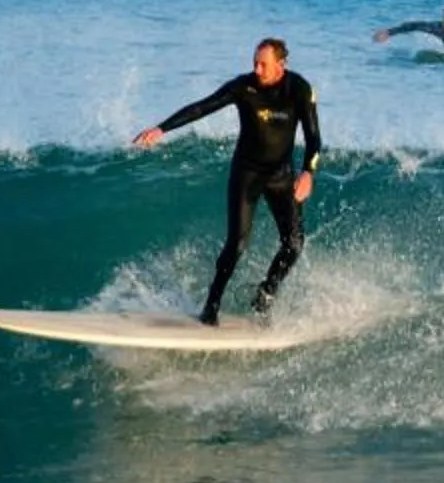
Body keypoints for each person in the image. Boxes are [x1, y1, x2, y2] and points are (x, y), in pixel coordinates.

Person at [132, 38, 323, 325]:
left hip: (281, 177)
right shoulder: (243, 87)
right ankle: (211, 306)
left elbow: (314, 139)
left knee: (294, 244)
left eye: (264, 64)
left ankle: (265, 294)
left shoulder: (299, 89)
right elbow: (201, 107)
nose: (257, 69)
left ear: (281, 65)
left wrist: (308, 172)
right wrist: (162, 128)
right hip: (247, 174)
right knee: (237, 244)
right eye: (254, 63)